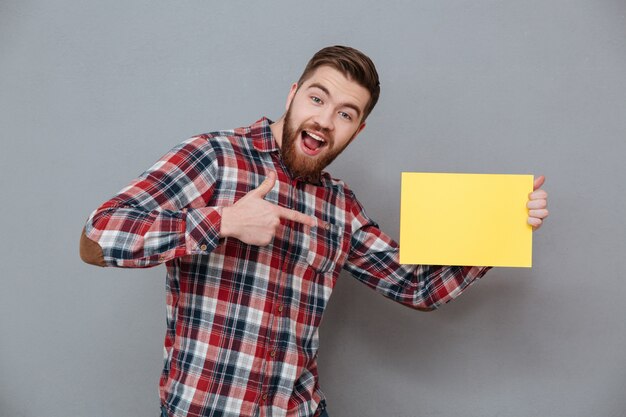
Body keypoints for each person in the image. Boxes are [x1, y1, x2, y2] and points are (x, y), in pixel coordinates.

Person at [79, 45, 549, 417]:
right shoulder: (217, 157)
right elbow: (98, 236)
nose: (324, 120)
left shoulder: (340, 206)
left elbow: (418, 286)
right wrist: (223, 221)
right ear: (293, 93)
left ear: (357, 131)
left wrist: (505, 225)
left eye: (345, 113)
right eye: (317, 97)